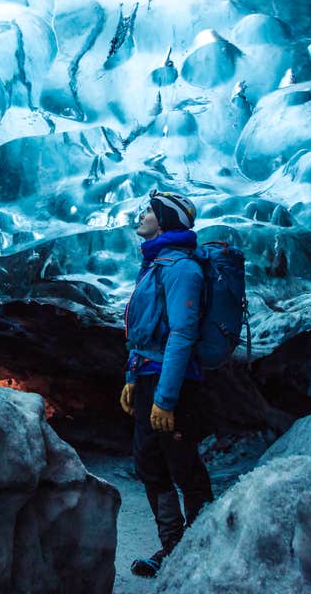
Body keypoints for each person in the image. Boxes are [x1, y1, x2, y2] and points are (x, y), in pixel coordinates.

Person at [120, 190, 213, 578]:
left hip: (171, 383)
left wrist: (166, 397)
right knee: (149, 462)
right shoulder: (156, 263)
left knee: (183, 464)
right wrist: (131, 377)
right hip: (147, 376)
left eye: (149, 211)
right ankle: (175, 549)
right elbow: (142, 330)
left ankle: (206, 548)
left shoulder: (182, 269)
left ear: (166, 220)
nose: (141, 215)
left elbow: (182, 334)